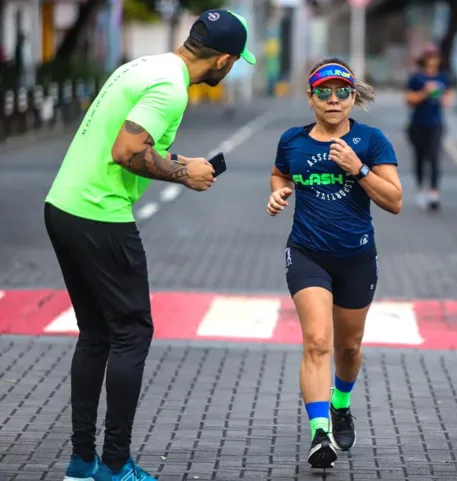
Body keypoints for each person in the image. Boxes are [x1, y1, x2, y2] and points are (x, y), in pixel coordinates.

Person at [44, 10, 256, 481]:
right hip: (100, 213)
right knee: (132, 334)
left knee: (97, 335)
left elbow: (132, 142)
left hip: (63, 205)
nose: (231, 70)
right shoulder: (171, 90)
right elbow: (125, 152)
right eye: (235, 63)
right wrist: (183, 175)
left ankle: (82, 463)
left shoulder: (144, 67)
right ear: (222, 60)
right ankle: (115, 465)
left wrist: (183, 161)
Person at [266, 58, 403, 469]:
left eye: (342, 91)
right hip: (307, 253)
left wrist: (356, 168)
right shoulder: (293, 141)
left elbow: (394, 201)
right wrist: (279, 191)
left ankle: (340, 402)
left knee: (348, 346)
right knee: (318, 342)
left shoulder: (372, 141)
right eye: (323, 92)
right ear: (310, 97)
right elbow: (278, 173)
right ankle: (319, 432)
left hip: (357, 257)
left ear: (352, 97)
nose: (333, 99)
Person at [404, 43, 453, 211]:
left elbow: (447, 100)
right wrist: (425, 92)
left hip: (436, 123)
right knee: (419, 157)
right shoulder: (416, 78)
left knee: (434, 156)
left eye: (435, 58)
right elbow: (409, 99)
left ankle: (434, 192)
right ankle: (420, 188)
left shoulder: (443, 78)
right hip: (418, 123)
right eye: (429, 58)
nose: (432, 61)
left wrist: (439, 95)